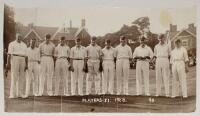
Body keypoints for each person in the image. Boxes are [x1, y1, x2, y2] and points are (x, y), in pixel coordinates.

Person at [6, 33, 27, 98]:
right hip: (14, 58)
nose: (19, 38)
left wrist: (26, 64)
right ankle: (12, 94)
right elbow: (9, 54)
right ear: (16, 37)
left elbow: (26, 56)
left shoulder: (24, 45)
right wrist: (8, 63)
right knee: (14, 76)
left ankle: (20, 93)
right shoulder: (11, 44)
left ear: (21, 37)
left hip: (23, 59)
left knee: (22, 77)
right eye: (18, 37)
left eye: (20, 37)